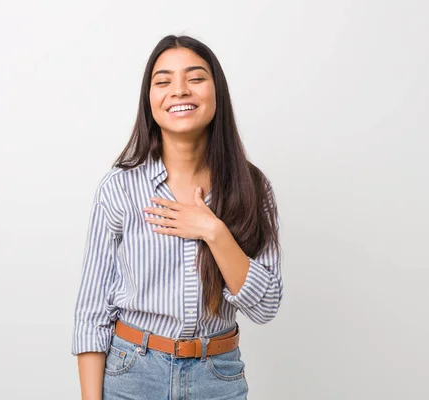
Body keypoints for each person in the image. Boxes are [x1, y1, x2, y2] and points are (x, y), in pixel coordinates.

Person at [71, 34, 283, 400]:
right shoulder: (119, 188)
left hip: (218, 377)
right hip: (132, 373)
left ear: (217, 91)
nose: (180, 90)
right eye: (164, 81)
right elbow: (92, 314)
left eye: (196, 78)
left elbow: (265, 307)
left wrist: (213, 231)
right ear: (149, 99)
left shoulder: (252, 188)